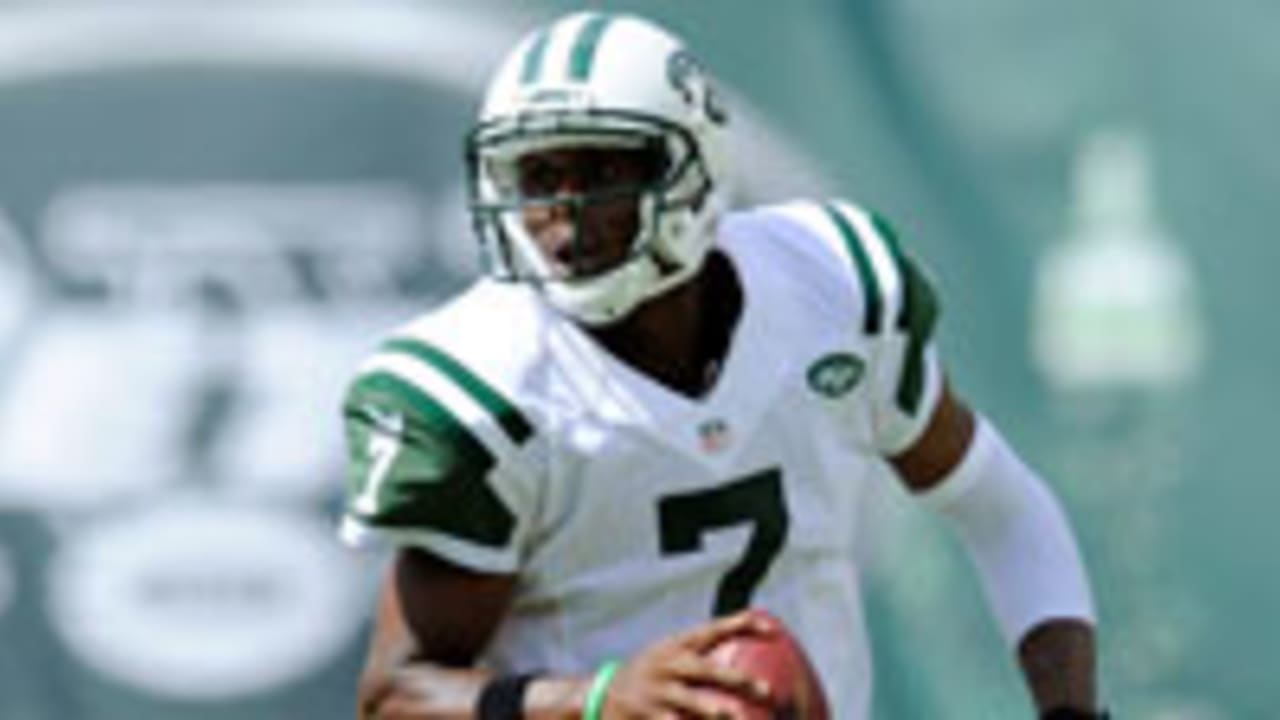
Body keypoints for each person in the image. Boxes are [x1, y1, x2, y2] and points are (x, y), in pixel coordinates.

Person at [339, 11, 1105, 719]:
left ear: (694, 166)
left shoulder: (829, 289)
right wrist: (597, 699)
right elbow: (397, 694)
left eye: (601, 175)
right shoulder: (490, 385)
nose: (562, 220)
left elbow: (1004, 507)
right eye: (538, 179)